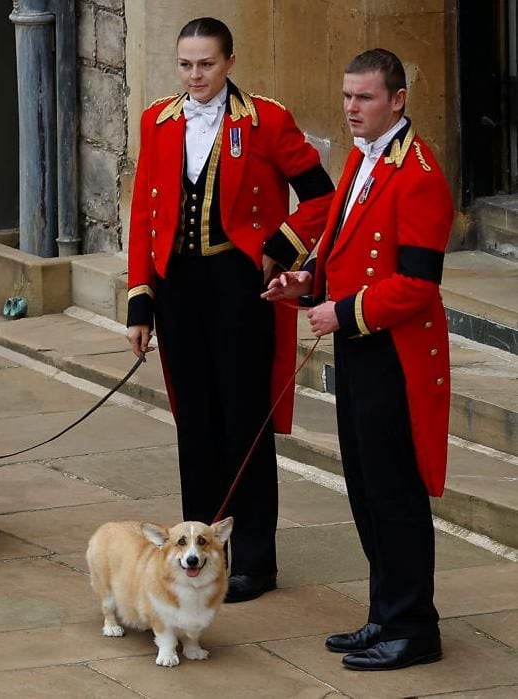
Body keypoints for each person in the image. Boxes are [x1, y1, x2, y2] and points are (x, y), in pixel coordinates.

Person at [126, 17, 334, 603]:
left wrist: (280, 248)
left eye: (207, 64)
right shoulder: (157, 120)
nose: (195, 76)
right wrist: (140, 301)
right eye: (186, 64)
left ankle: (256, 561)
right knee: (194, 422)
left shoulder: (266, 120)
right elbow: (144, 213)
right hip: (179, 288)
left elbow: (322, 195)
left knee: (245, 424)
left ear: (230, 63)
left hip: (241, 286)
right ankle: (198, 554)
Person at [263, 48, 454, 669]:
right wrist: (306, 284)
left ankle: (413, 628)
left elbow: (419, 284)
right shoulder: (359, 160)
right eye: (347, 97)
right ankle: (384, 615)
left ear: (397, 100)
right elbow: (342, 251)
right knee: (366, 490)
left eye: (364, 98)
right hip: (360, 349)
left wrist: (343, 312)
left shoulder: (420, 174)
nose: (351, 109)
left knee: (395, 492)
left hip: (395, 356)